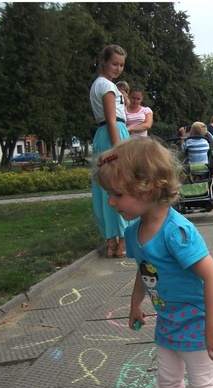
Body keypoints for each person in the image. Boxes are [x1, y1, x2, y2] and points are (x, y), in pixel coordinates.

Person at [95, 137, 213, 388]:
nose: (111, 202)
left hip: (200, 323)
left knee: (202, 384)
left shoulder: (177, 233)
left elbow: (212, 277)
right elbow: (146, 271)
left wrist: (212, 327)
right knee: (168, 383)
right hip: (170, 322)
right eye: (109, 194)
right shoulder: (135, 231)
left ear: (147, 188)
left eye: (117, 194)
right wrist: (135, 304)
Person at [89, 44, 134, 258]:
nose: (118, 68)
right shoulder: (107, 86)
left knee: (105, 188)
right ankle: (123, 242)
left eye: (121, 65)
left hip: (104, 134)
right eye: (114, 63)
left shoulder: (99, 84)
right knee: (119, 186)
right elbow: (111, 119)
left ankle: (111, 244)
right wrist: (119, 149)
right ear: (104, 61)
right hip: (113, 133)